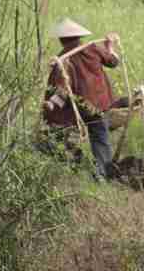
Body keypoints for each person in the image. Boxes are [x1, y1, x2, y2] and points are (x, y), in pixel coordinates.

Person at [43, 18, 119, 181]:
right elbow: (113, 62)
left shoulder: (63, 59)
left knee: (64, 133)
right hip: (99, 103)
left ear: (62, 40)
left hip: (79, 105)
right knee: (100, 137)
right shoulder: (92, 48)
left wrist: (51, 104)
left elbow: (62, 90)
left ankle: (78, 163)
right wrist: (110, 46)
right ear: (78, 37)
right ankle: (102, 173)